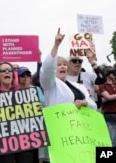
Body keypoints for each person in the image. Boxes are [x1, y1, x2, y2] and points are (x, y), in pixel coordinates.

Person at [39, 28, 97, 163]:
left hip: (78, 133)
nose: (62, 67)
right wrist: (56, 45)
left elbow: (93, 105)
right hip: (59, 132)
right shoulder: (50, 85)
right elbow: (46, 69)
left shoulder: (79, 86)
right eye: (58, 65)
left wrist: (85, 103)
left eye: (65, 64)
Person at [17, 66, 44, 163]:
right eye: (22, 75)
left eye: (28, 74)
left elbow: (43, 103)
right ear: (17, 77)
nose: (25, 77)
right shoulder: (13, 90)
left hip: (34, 129)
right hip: (19, 130)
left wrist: (42, 106)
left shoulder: (36, 89)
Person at [98, 66, 116, 146]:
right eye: (112, 72)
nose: (114, 74)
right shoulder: (102, 86)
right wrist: (109, 98)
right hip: (110, 114)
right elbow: (108, 97)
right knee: (112, 138)